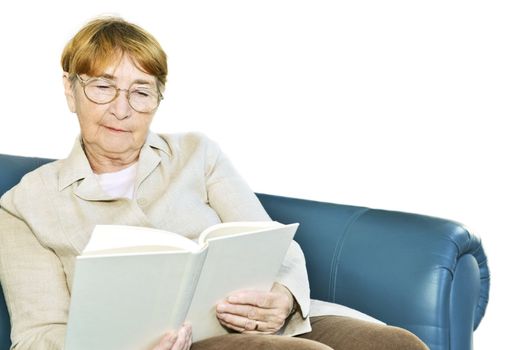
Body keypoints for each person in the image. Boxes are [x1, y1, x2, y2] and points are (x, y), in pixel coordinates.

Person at [0, 17, 428, 350]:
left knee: (396, 344)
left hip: (258, 323)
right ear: (70, 91)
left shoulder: (197, 154)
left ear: (157, 100)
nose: (121, 108)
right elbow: (37, 336)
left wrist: (284, 296)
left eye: (141, 91)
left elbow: (275, 246)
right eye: (103, 87)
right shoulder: (24, 206)